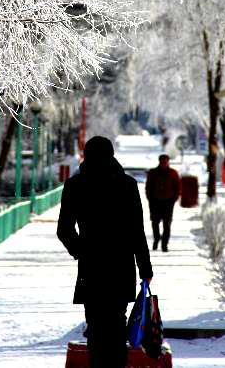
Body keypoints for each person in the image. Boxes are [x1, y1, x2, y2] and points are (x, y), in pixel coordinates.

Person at [57, 136, 153, 368]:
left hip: (91, 267)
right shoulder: (127, 185)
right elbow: (136, 230)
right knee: (117, 326)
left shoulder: (76, 185)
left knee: (96, 326)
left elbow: (64, 230)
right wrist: (145, 268)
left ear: (86, 155)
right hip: (121, 265)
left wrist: (81, 250)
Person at [146, 154, 180, 252]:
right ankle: (156, 239)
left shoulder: (173, 173)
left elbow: (177, 187)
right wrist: (150, 199)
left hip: (168, 202)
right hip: (155, 202)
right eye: (162, 162)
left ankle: (164, 244)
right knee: (155, 222)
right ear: (159, 162)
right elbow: (148, 187)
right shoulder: (153, 173)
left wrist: (174, 199)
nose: (164, 164)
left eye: (166, 162)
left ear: (168, 162)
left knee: (167, 224)